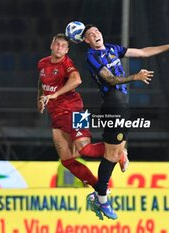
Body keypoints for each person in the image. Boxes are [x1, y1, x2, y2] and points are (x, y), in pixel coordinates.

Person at [82, 24, 169, 220]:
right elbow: (111, 80)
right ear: (86, 41)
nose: (95, 34)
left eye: (97, 31)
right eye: (90, 34)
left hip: (122, 104)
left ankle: (119, 158)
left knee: (116, 151)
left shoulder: (113, 49)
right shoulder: (92, 56)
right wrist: (136, 77)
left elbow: (143, 52)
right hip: (112, 104)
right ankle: (100, 198)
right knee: (110, 154)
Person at [37, 33, 127, 190]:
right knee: (66, 160)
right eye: (57, 44)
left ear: (67, 50)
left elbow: (77, 80)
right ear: (52, 45)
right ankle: (97, 186)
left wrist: (56, 94)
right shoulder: (42, 63)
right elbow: (41, 82)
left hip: (75, 110)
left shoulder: (67, 64)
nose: (59, 48)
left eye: (63, 46)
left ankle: (119, 151)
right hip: (56, 115)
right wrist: (39, 99)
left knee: (84, 149)